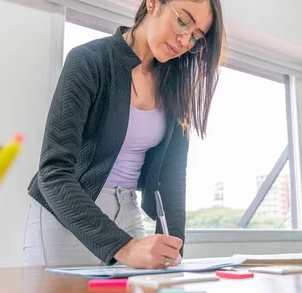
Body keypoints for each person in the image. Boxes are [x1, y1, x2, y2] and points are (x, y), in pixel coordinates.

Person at [23, 0, 225, 269]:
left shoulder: (175, 87)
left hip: (128, 214)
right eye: (183, 21)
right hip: (67, 218)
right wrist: (123, 247)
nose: (184, 40)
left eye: (196, 37)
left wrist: (175, 250)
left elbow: (172, 177)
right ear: (153, 3)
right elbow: (53, 172)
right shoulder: (88, 61)